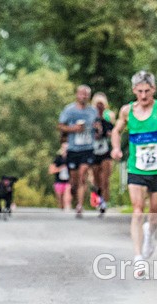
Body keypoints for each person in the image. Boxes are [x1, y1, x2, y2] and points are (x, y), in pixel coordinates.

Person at [110, 71, 157, 277]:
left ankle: (150, 234)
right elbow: (116, 131)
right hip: (136, 168)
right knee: (137, 210)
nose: (143, 95)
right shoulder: (127, 111)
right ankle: (138, 258)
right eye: (139, 91)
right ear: (134, 90)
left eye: (147, 91)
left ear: (153, 90)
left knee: (154, 215)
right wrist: (116, 149)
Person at [58, 85, 98, 218]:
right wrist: (73, 129)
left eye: (86, 94)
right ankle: (75, 195)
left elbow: (98, 126)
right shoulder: (69, 110)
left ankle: (80, 206)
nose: (84, 96)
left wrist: (97, 128)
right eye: (82, 93)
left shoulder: (93, 111)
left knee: (83, 176)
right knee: (74, 181)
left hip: (88, 148)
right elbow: (60, 126)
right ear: (77, 94)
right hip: (73, 149)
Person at [91, 91, 115, 216]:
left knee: (105, 178)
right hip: (94, 151)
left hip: (106, 150)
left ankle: (104, 202)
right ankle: (97, 199)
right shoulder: (90, 117)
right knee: (95, 179)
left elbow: (113, 132)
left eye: (101, 104)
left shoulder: (109, 116)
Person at [48, 140, 71, 210]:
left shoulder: (71, 158)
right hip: (58, 182)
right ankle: (62, 212)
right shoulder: (58, 158)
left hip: (68, 182)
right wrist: (60, 169)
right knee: (60, 202)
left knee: (67, 199)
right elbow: (51, 171)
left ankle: (68, 209)